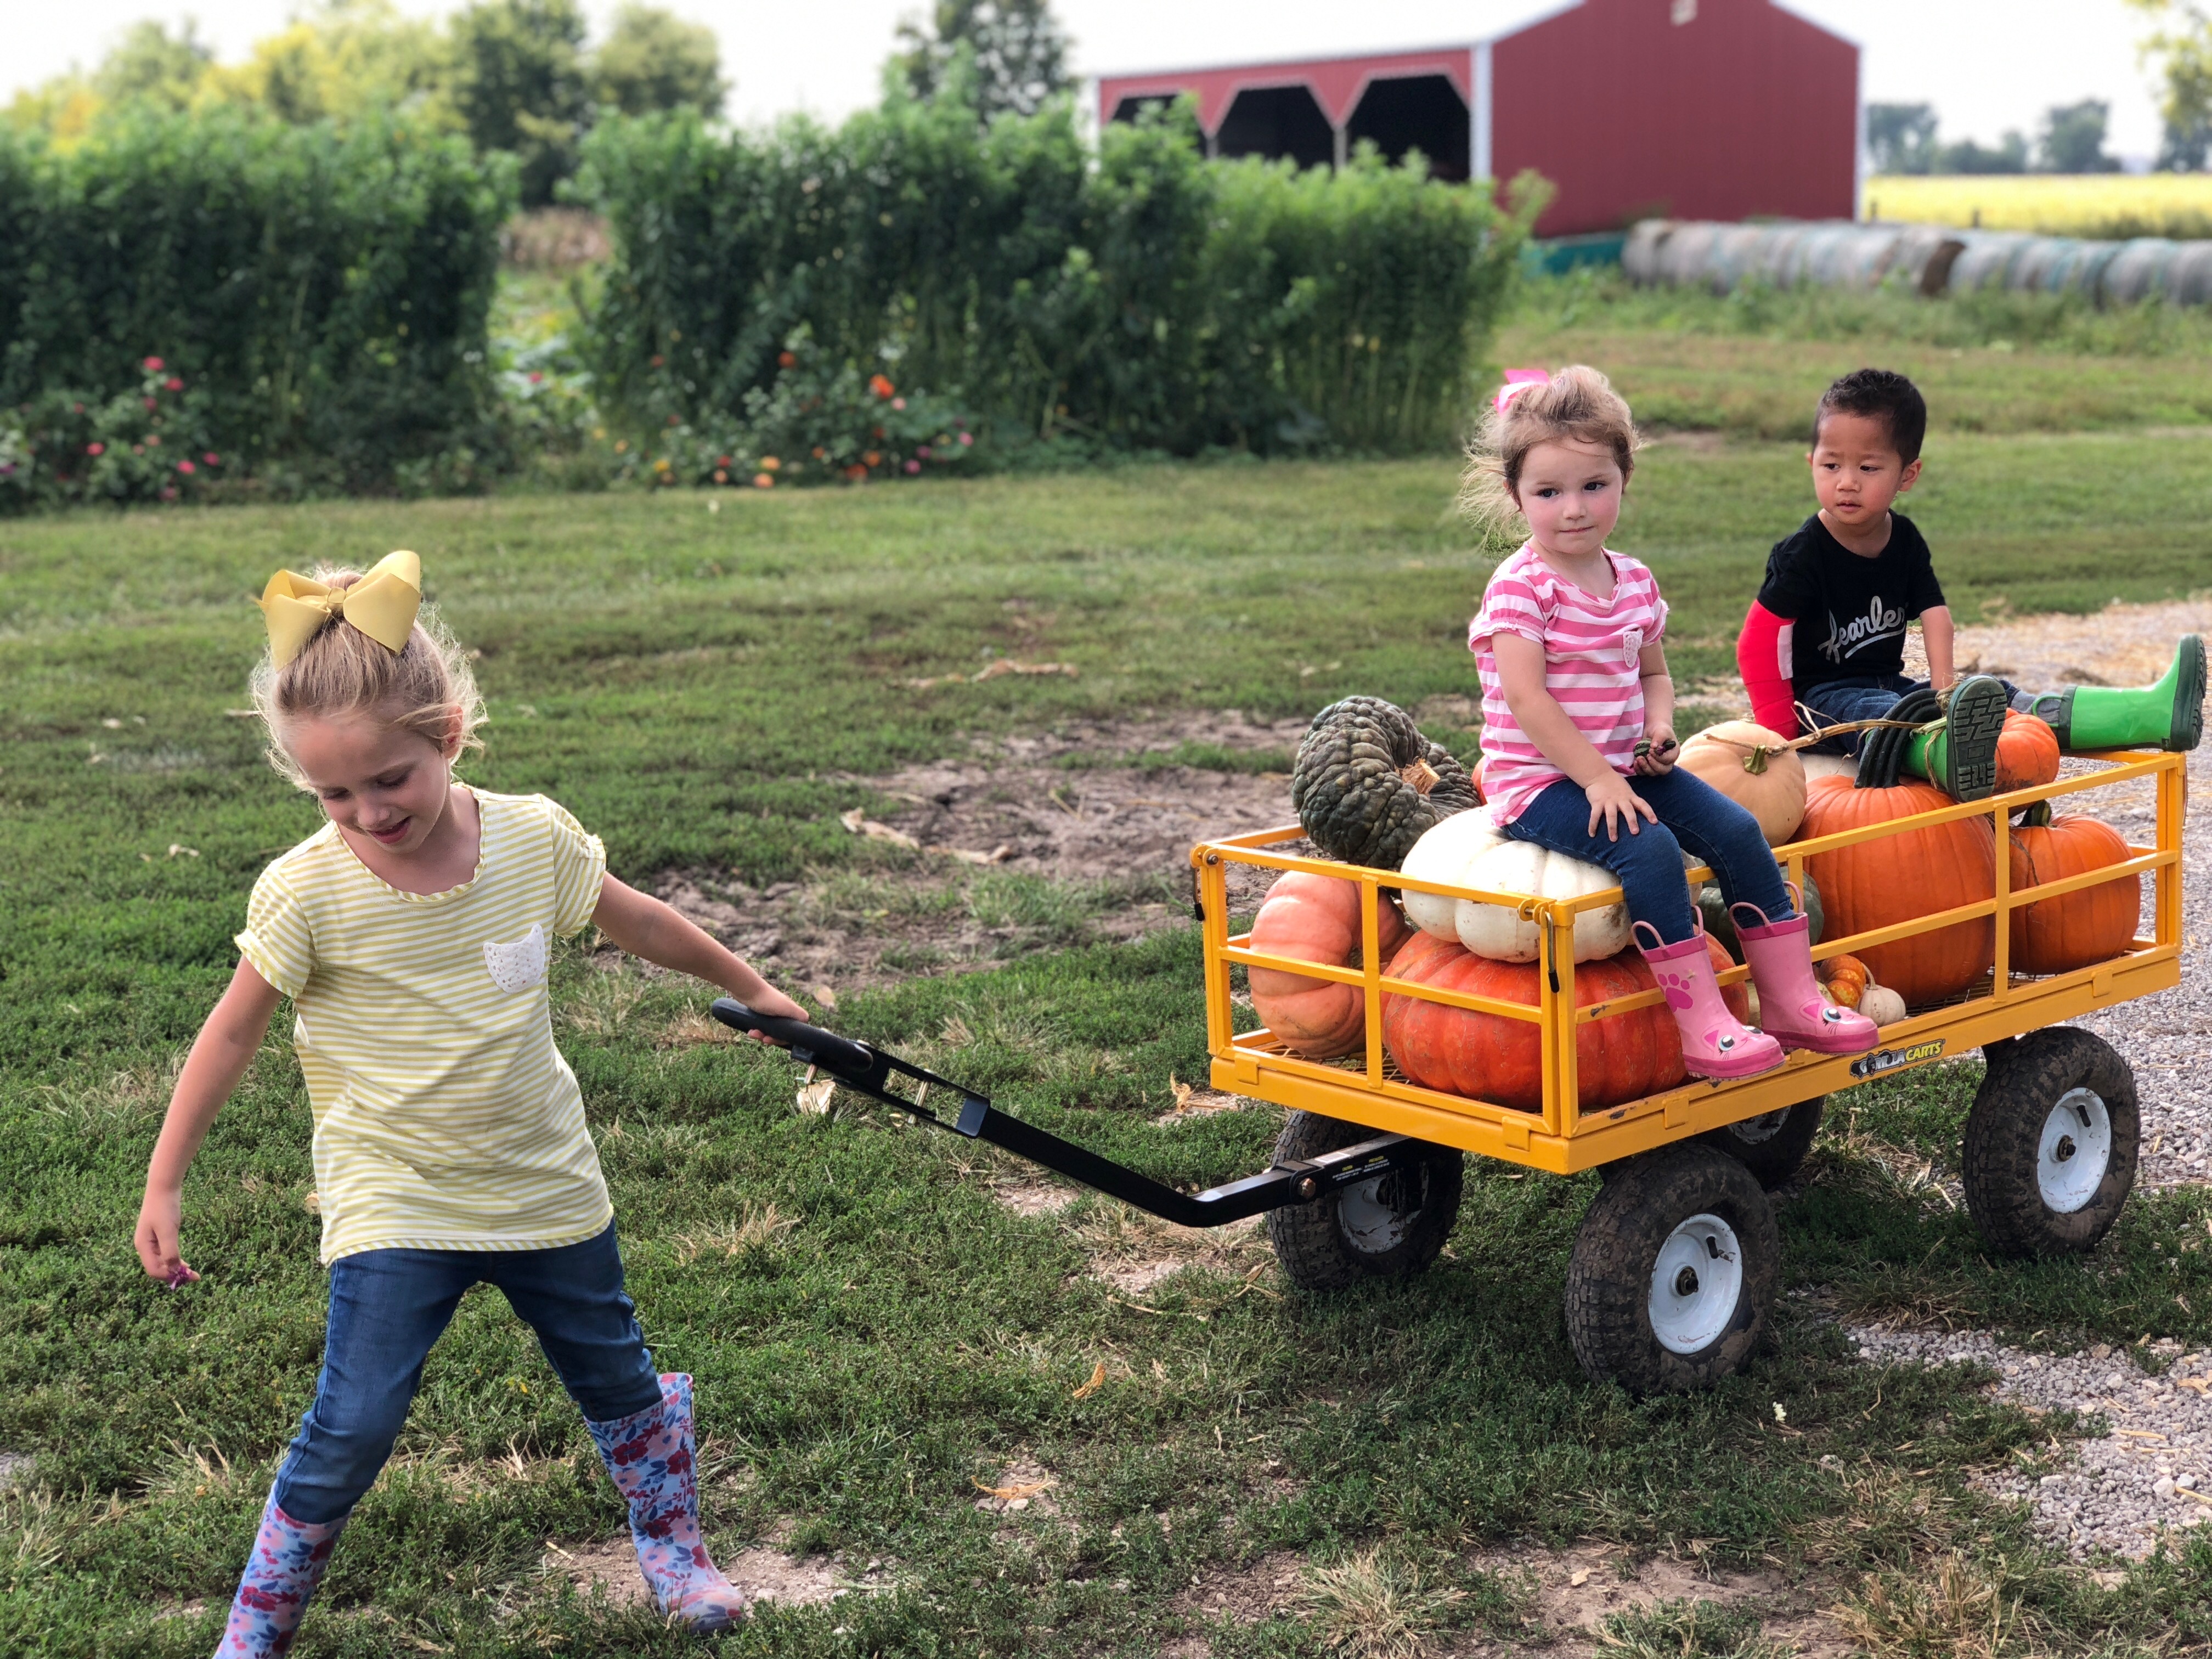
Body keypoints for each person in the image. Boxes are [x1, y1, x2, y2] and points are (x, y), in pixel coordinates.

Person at [132, 551, 809, 1657]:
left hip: (543, 1176)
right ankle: (255, 1625)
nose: (366, 811)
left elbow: (638, 919)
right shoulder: (305, 888)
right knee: (354, 1417)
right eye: (334, 794)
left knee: (616, 1379)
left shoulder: (532, 838)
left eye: (388, 779)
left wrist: (755, 991)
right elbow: (233, 1031)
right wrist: (165, 1181)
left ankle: (674, 1544)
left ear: (447, 735)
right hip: (394, 1192)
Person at [1464, 367, 1876, 1080]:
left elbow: (1653, 675)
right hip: (1544, 782)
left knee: (1739, 831)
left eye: (1594, 486)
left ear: (1624, 479)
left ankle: (1791, 1002)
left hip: (1628, 769)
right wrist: (1596, 780)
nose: (1574, 509)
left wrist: (1658, 730)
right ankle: (1703, 1023)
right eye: (1549, 492)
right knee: (1649, 849)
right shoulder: (1520, 589)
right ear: (1515, 495)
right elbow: (1528, 701)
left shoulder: (1633, 581)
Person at [1736, 368, 2203, 796]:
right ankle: (1948, 755)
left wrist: (1945, 694)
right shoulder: (1803, 554)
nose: (1847, 482)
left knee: (1993, 691)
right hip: (1823, 703)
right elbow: (1759, 641)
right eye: (1831, 466)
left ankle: (2147, 713)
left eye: (1868, 468)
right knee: (1881, 711)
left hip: (1888, 685)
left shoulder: (1905, 540)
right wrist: (1780, 737)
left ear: (1908, 475)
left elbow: (1936, 616)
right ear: (1812, 463)